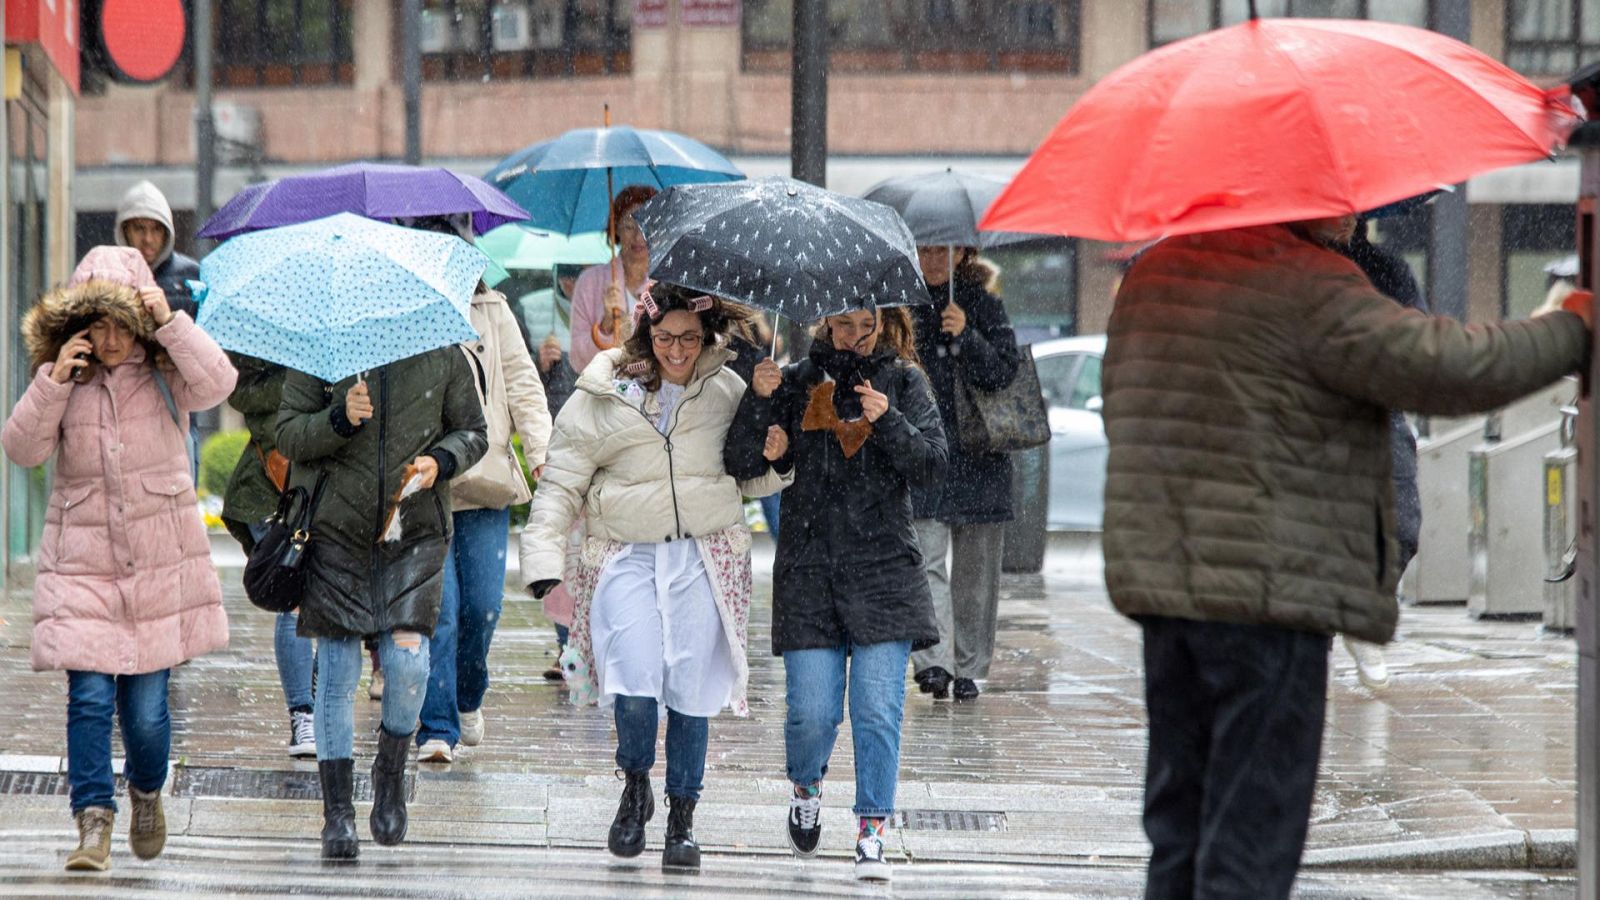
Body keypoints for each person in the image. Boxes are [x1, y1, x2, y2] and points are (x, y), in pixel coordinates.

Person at [1102, 215, 1591, 900]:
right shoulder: (1307, 283)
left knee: (1181, 832)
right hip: (1270, 598)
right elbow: (1439, 366)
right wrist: (1568, 328)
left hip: (1168, 595)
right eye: (1342, 199)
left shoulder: (1157, 275)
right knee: (1250, 843)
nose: (1355, 212)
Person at [522, 283, 790, 871]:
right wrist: (542, 559)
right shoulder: (604, 390)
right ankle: (636, 781)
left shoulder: (728, 387)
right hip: (624, 553)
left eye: (689, 339)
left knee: (692, 687)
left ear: (706, 336)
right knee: (634, 675)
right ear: (647, 334)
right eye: (666, 338)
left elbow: (750, 477)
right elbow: (562, 480)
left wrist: (778, 457)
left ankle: (682, 816)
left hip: (703, 552)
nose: (677, 351)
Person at [2, 246, 236, 872]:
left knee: (147, 715)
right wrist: (52, 381)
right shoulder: (63, 375)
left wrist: (169, 322)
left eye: (120, 323)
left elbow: (219, 382)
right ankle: (93, 822)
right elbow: (21, 449)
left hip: (158, 569)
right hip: (82, 565)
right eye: (96, 323)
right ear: (78, 321)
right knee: (89, 699)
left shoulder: (166, 369)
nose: (109, 339)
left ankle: (146, 790)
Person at [726, 306, 947, 883]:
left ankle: (872, 829)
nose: (852, 336)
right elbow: (740, 462)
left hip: (884, 573)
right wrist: (760, 407)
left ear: (882, 325)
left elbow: (933, 467)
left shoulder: (903, 380)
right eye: (842, 325)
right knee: (812, 716)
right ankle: (806, 784)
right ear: (825, 324)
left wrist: (890, 420)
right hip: (810, 572)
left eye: (863, 326)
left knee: (876, 712)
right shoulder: (796, 382)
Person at [275, 348, 487, 860]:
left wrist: (441, 460)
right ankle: (338, 812)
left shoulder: (445, 353)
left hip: (412, 532)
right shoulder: (323, 348)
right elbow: (287, 434)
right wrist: (339, 418)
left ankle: (390, 769)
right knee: (340, 669)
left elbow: (475, 432)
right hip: (332, 533)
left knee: (408, 663)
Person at [412, 215, 555, 764]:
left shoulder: (492, 310)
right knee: (440, 612)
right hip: (426, 486)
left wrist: (541, 456)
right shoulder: (407, 314)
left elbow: (523, 383)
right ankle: (438, 727)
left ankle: (469, 695)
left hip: (487, 481)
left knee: (483, 609)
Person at [907, 247, 1020, 701]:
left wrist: (967, 334)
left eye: (943, 250)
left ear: (963, 254)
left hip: (980, 457)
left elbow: (1003, 373)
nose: (934, 258)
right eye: (925, 248)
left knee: (975, 574)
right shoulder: (905, 306)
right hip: (927, 456)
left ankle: (970, 668)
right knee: (924, 561)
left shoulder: (985, 304)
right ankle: (934, 662)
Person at [1332, 218, 1430, 690]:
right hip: (1314, 414)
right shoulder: (1292, 269)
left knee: (1403, 525)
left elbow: (1420, 340)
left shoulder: (1386, 269)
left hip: (1380, 411)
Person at [220, 354, 318, 757]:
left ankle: (322, 704)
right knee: (293, 597)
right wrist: (304, 384)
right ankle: (304, 715)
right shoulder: (265, 338)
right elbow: (242, 393)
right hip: (273, 492)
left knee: (330, 602)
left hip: (338, 489)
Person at [115, 180, 203, 476]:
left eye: (156, 229)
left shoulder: (190, 276)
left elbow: (207, 346)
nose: (148, 239)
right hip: (125, 408)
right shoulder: (108, 275)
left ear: (167, 232)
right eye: (139, 229)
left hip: (177, 404)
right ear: (124, 231)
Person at [568, 186, 657, 373]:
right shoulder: (589, 283)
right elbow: (577, 359)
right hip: (605, 392)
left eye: (645, 225)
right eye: (629, 226)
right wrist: (605, 326)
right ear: (615, 228)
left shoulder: (667, 283)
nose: (638, 236)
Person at [535, 331, 579, 680]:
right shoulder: (588, 289)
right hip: (567, 437)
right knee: (567, 551)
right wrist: (545, 368)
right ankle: (568, 646)